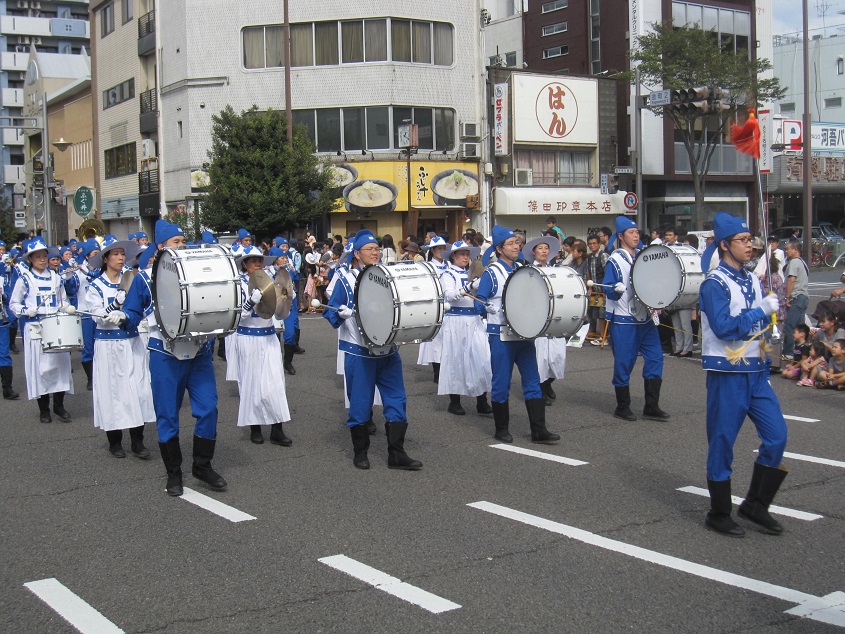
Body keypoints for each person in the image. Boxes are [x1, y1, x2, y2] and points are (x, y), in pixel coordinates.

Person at [120, 219, 227, 496]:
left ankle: (202, 465)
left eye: (183, 241)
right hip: (164, 353)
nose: (182, 245)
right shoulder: (144, 278)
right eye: (176, 242)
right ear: (161, 247)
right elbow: (133, 312)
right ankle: (174, 473)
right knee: (167, 415)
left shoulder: (195, 272)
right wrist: (123, 316)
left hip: (199, 351)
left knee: (209, 408)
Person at [699, 212, 788, 537]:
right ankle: (719, 512)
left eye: (750, 239)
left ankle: (756, 504)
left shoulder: (751, 278)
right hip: (726, 372)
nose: (750, 245)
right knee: (723, 441)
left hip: (755, 370)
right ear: (725, 245)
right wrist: (760, 310)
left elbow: (756, 324)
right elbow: (724, 328)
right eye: (742, 240)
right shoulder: (714, 283)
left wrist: (769, 325)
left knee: (777, 435)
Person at [324, 229, 422, 471]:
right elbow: (330, 311)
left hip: (388, 350)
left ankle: (397, 453)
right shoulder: (345, 279)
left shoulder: (387, 275)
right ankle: (360, 452)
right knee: (359, 404)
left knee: (397, 400)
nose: (375, 252)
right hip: (359, 352)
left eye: (377, 249)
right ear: (357, 254)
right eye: (370, 249)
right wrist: (340, 312)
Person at [474, 225, 561, 444]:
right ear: (499, 248)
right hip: (501, 336)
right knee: (501, 382)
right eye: (511, 243)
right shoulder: (492, 272)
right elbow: (479, 303)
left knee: (533, 381)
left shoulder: (523, 268)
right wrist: (488, 308)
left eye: (517, 243)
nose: (516, 246)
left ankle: (539, 430)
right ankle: (501, 429)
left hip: (524, 335)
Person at [86, 239, 154, 459]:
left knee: (138, 390)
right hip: (108, 345)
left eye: (122, 254)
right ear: (105, 259)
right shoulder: (95, 286)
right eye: (115, 254)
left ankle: (138, 441)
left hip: (132, 340)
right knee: (112, 392)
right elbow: (99, 318)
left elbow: (143, 307)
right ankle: (114, 442)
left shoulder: (133, 279)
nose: (120, 258)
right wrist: (115, 306)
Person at [602, 216, 670, 422]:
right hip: (624, 319)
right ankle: (622, 406)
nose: (636, 235)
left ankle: (651, 405)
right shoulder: (615, 259)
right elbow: (608, 289)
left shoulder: (642, 255)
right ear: (621, 236)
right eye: (631, 233)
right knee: (625, 362)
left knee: (656, 358)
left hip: (646, 318)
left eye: (637, 232)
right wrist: (615, 290)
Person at [9, 238, 74, 423]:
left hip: (55, 327)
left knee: (61, 367)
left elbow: (63, 301)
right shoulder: (25, 279)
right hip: (35, 328)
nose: (42, 259)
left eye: (44, 256)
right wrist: (25, 311)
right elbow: (14, 303)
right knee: (41, 369)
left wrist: (65, 309)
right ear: (30, 259)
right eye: (38, 256)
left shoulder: (56, 277)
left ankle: (59, 406)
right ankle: (44, 409)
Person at [234, 246, 293, 446]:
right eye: (252, 261)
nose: (257, 264)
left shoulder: (271, 281)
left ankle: (277, 428)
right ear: (245, 265)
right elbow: (235, 317)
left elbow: (279, 312)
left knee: (275, 383)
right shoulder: (238, 284)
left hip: (269, 337)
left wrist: (285, 298)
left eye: (260, 260)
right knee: (251, 383)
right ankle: (255, 427)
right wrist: (249, 303)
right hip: (248, 338)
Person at [438, 241, 493, 416]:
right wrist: (469, 287)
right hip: (456, 321)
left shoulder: (475, 273)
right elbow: (449, 295)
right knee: (456, 360)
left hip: (475, 320)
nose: (465, 257)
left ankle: (482, 401)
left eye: (467, 254)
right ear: (453, 256)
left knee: (482, 359)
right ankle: (454, 402)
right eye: (461, 254)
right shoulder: (447, 274)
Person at [524, 235, 566, 406]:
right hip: (537, 316)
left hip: (555, 316)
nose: (543, 251)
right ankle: (539, 388)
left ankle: (548, 382)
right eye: (540, 248)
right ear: (534, 252)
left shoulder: (556, 270)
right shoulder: (528, 271)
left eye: (546, 248)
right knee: (540, 356)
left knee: (557, 355)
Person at [418, 236, 450, 383]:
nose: (442, 251)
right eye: (439, 248)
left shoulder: (450, 264)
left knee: (448, 339)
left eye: (444, 248)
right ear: (432, 250)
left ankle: (448, 368)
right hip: (436, 305)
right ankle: (437, 371)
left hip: (450, 304)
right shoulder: (428, 266)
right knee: (435, 340)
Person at [663, 227, 694, 358]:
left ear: (676, 236)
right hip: (672, 290)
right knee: (676, 323)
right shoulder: (664, 249)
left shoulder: (682, 250)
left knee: (685, 323)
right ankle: (679, 347)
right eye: (666, 235)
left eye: (670, 234)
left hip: (684, 289)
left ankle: (688, 348)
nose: (668, 237)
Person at [781, 239, 809, 358]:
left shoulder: (794, 262)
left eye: (788, 249)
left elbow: (792, 280)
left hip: (796, 297)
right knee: (801, 328)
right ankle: (802, 352)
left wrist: (787, 297)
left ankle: (788, 353)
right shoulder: (803, 262)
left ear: (795, 250)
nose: (786, 251)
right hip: (804, 297)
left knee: (789, 326)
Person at [586, 233, 609, 345]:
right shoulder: (590, 257)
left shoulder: (603, 255)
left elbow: (607, 272)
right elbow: (589, 273)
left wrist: (606, 289)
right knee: (594, 313)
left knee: (602, 314)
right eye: (590, 244)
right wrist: (590, 287)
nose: (592, 246)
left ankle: (603, 337)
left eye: (594, 243)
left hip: (604, 290)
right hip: (595, 290)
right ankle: (598, 335)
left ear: (599, 244)